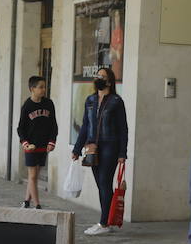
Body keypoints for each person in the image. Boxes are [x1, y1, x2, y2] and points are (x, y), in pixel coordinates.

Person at [71, 66, 128, 235]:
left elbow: (123, 129)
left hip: (110, 146)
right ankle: (107, 220)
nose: (98, 78)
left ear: (109, 81)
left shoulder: (116, 101)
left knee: (104, 183)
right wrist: (77, 148)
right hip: (92, 147)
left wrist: (122, 153)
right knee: (101, 185)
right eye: (97, 75)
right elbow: (85, 126)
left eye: (102, 76)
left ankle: (104, 223)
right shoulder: (90, 100)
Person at [17, 76, 58, 209]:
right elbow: (20, 128)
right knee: (33, 175)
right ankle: (37, 205)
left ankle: (26, 201)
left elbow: (53, 125)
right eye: (40, 87)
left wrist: (52, 141)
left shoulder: (49, 104)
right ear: (32, 89)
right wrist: (25, 143)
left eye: (44, 87)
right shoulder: (27, 106)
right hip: (30, 147)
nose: (43, 89)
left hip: (43, 146)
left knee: (34, 176)